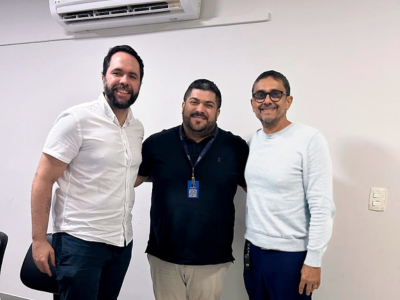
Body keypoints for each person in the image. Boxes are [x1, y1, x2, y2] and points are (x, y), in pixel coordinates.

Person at [30, 45, 145, 300]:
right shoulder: (77, 120)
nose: (124, 81)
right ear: (104, 77)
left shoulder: (137, 129)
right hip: (80, 243)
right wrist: (39, 239)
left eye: (132, 76)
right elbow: (43, 179)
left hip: (121, 243)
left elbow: (123, 175)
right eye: (117, 73)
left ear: (139, 84)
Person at [135, 79, 249, 300]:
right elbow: (128, 181)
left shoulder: (236, 148)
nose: (200, 109)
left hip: (212, 259)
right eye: (194, 102)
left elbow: (259, 191)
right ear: (183, 105)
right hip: (163, 257)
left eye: (208, 105)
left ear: (218, 112)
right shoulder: (156, 144)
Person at [244, 70, 336, 300]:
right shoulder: (252, 141)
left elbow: (322, 206)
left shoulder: (309, 140)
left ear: (288, 101)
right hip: (253, 252)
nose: (267, 101)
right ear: (253, 103)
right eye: (260, 95)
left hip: (290, 257)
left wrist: (313, 261)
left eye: (275, 94)